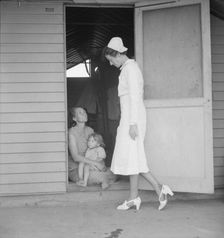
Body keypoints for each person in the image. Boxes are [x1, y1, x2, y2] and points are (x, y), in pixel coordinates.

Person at [104, 37, 174, 211]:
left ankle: (158, 188)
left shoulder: (131, 70)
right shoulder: (127, 69)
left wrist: (133, 123)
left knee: (133, 156)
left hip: (132, 119)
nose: (111, 64)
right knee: (132, 157)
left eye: (111, 60)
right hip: (129, 118)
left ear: (118, 54)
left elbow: (135, 98)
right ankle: (134, 197)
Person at [68, 107, 115, 188]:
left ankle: (104, 178)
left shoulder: (90, 130)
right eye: (80, 112)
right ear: (74, 118)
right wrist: (95, 163)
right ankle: (102, 179)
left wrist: (98, 163)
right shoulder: (71, 132)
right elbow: (75, 157)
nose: (84, 114)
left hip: (91, 164)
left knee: (114, 172)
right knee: (101, 176)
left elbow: (96, 149)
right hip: (77, 168)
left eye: (84, 112)